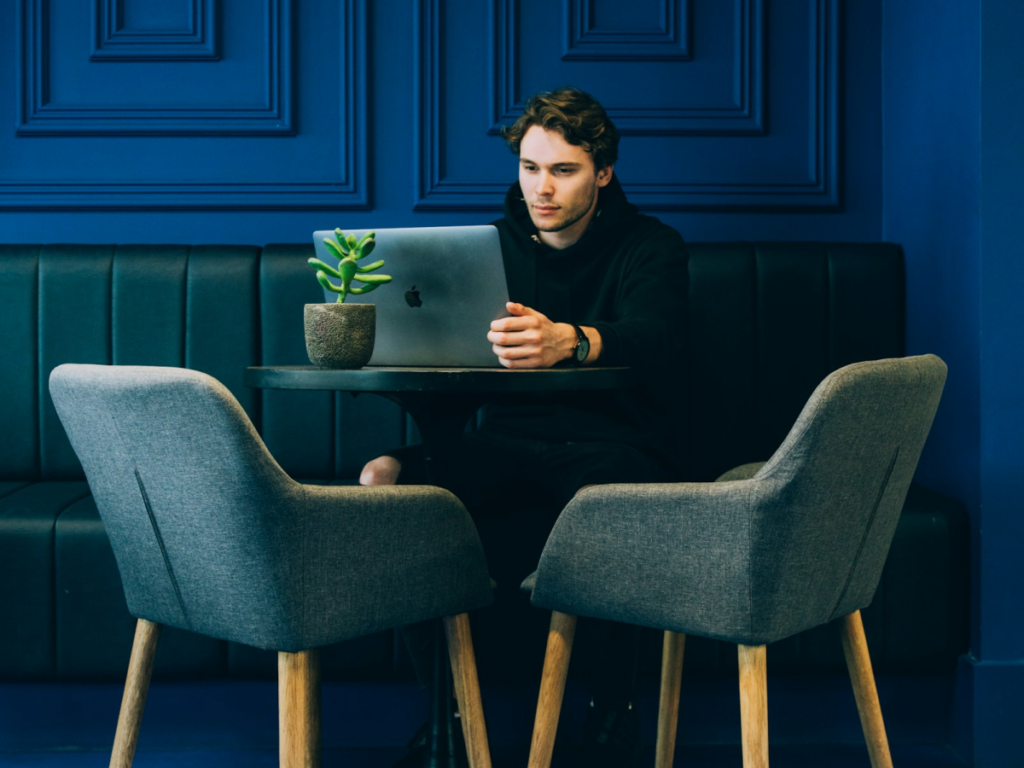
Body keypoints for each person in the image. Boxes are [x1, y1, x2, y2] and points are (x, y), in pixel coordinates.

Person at [362, 86, 688, 768]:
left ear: (602, 171)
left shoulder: (650, 246)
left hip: (611, 444)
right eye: (530, 168)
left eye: (563, 171)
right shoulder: (487, 249)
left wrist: (570, 339)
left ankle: (612, 713)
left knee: (612, 501)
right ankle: (446, 714)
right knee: (388, 482)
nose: (542, 188)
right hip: (505, 442)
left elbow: (657, 340)